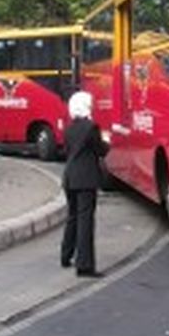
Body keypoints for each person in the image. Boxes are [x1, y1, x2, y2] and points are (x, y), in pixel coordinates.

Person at [60, 91, 109, 278]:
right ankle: (85, 264)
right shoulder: (91, 128)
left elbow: (68, 150)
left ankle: (66, 255)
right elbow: (101, 150)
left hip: (70, 177)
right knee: (85, 221)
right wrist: (107, 141)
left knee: (72, 217)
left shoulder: (69, 129)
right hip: (86, 179)